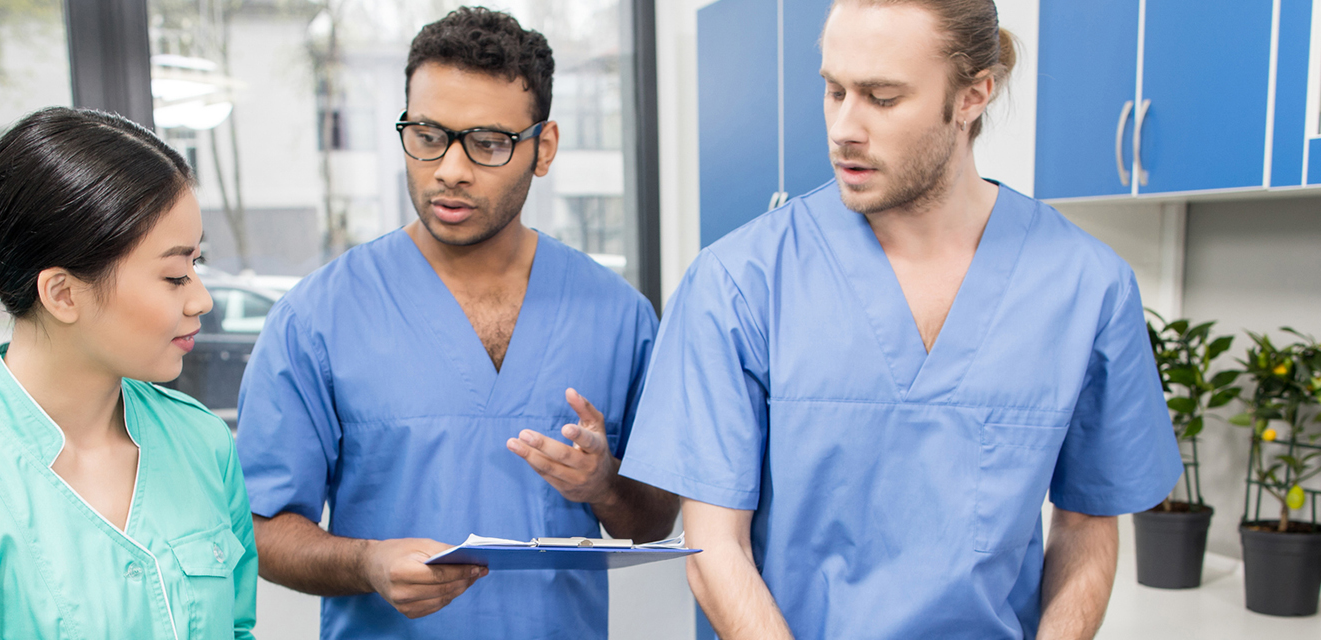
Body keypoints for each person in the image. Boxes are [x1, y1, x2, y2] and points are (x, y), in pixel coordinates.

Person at [617, 1, 1183, 638]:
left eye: (881, 98)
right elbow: (715, 548)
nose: (843, 128)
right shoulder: (738, 282)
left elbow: (1086, 523)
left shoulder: (1088, 287)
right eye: (834, 91)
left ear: (973, 95)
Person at [237, 7, 676, 640]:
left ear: (542, 149)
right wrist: (368, 562)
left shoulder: (617, 315)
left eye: (488, 143)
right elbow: (261, 530)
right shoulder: (318, 318)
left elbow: (653, 521)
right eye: (427, 135)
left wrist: (603, 484)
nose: (449, 169)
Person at [0, 107, 256, 639]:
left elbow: (238, 629)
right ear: (63, 293)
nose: (201, 299)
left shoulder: (201, 442)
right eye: (176, 275)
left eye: (196, 266)